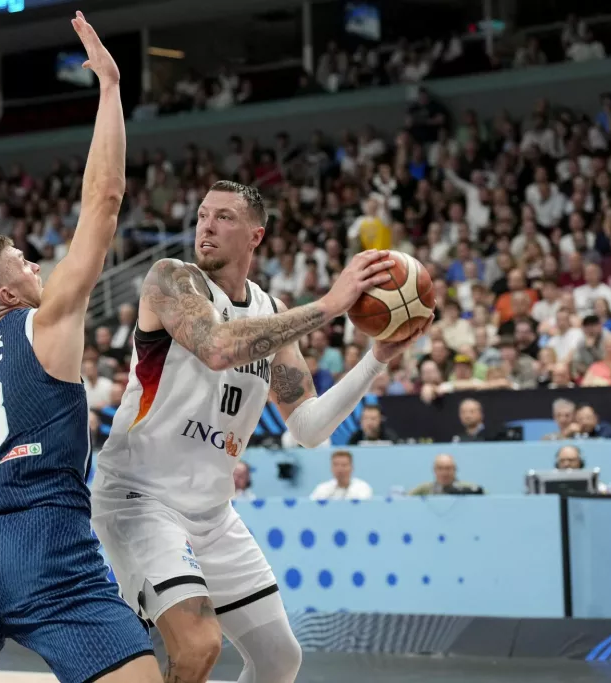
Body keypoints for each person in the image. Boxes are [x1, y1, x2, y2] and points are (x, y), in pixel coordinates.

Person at [92, 180, 429, 683]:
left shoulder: (269, 312)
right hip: (140, 499)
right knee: (200, 644)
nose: (206, 225)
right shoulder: (170, 279)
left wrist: (375, 359)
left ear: (255, 235)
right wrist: (329, 306)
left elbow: (309, 427)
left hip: (210, 512)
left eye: (224, 217)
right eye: (203, 214)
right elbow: (218, 346)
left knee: (279, 659)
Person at [0, 12, 161, 683]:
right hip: (45, 533)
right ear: (5, 296)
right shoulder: (45, 321)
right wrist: (111, 89)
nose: (38, 266)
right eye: (25, 262)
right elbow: (104, 201)